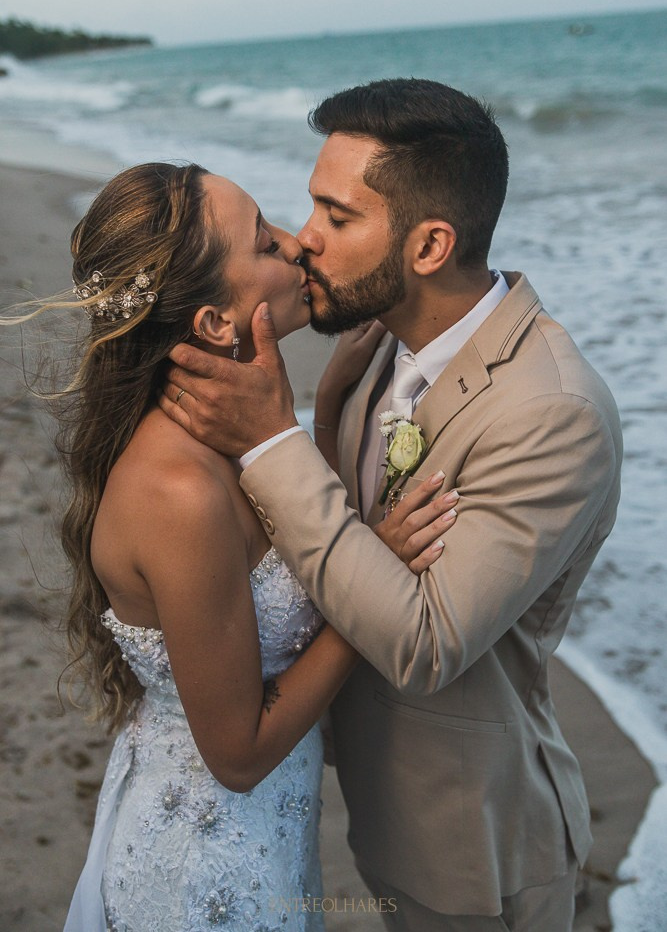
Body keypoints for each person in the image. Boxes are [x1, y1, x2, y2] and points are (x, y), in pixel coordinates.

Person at [160, 79, 623, 932]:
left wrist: (272, 440)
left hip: (474, 849)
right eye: (311, 209)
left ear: (428, 244)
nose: (305, 241)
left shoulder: (550, 411)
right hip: (370, 807)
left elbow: (423, 642)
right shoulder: (377, 343)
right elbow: (350, 527)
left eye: (337, 219)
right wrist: (320, 419)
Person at [3, 162, 454, 931]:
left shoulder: (234, 437)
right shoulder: (179, 492)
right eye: (265, 242)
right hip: (206, 872)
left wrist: (328, 405)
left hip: (263, 842)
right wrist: (369, 583)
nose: (298, 243)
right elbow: (238, 755)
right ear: (215, 323)